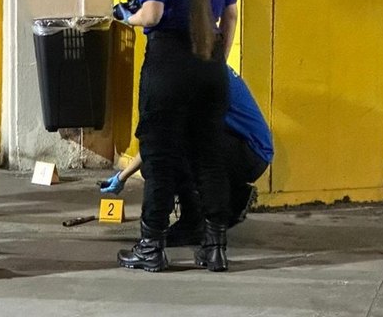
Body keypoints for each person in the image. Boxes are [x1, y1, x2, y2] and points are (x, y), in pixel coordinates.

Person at [115, 0, 238, 273]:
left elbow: (150, 14)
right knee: (209, 155)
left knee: (160, 155)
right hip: (210, 64)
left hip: (169, 64)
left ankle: (151, 247)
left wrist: (124, 16)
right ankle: (214, 247)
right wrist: (220, 55)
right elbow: (230, 14)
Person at [101, 65, 274, 245]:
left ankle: (192, 225)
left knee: (167, 158)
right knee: (171, 150)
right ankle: (231, 199)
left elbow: (160, 141)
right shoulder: (203, 62)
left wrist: (124, 177)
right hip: (248, 150)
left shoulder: (191, 76)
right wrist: (122, 176)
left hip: (248, 152)